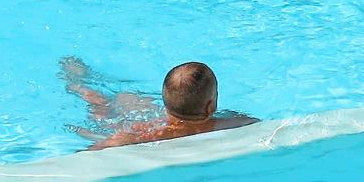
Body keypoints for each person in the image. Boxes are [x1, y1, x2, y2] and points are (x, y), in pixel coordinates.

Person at [63, 57, 257, 149]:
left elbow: (94, 151)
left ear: (164, 101)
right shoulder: (236, 123)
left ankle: (78, 84)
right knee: (111, 105)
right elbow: (256, 124)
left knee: (103, 107)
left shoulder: (144, 133)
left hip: (151, 122)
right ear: (210, 106)